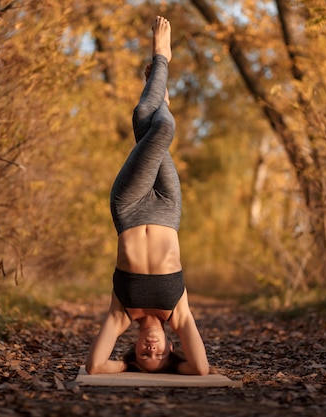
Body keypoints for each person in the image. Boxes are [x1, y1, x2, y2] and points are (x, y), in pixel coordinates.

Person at [85, 16, 209, 376]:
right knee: (152, 123)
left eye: (142, 357)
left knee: (156, 124)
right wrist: (172, 368)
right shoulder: (178, 312)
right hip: (168, 209)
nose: (149, 351)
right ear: (172, 348)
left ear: (134, 351)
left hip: (128, 207)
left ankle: (162, 62)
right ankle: (161, 84)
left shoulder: (122, 314)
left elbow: (94, 366)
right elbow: (201, 370)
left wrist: (124, 368)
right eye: (159, 356)